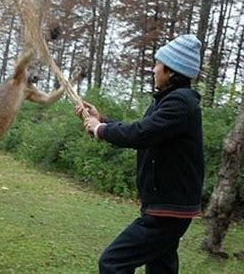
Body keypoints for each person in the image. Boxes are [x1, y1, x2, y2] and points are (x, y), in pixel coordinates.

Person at [75, 34, 205, 274]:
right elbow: (145, 132)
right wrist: (100, 120)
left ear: (171, 71)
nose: (153, 70)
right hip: (166, 207)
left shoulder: (181, 104)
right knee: (161, 268)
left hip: (168, 211)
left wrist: (100, 129)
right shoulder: (168, 102)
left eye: (158, 64)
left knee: (113, 263)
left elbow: (140, 134)